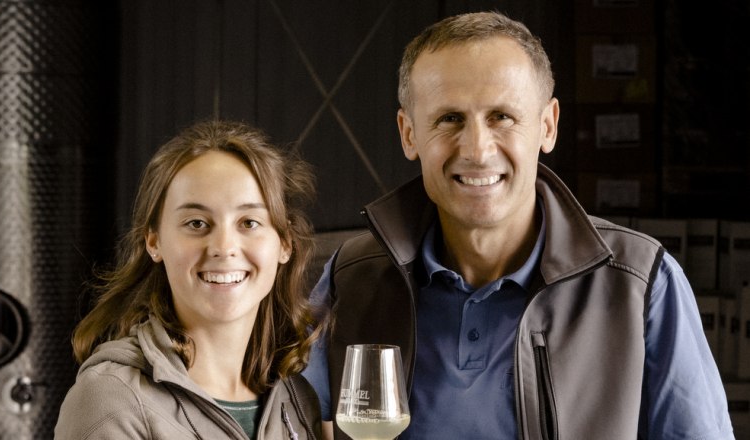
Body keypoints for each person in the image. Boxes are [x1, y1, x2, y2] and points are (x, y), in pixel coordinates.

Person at [302, 11, 734, 440]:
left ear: (547, 126)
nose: (476, 149)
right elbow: (281, 420)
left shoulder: (641, 283)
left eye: (502, 117)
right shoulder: (352, 278)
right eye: (449, 118)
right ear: (409, 133)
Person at [55, 120, 323, 439]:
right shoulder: (111, 399)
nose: (224, 247)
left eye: (249, 222)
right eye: (196, 223)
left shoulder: (297, 400)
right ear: (154, 242)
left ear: (285, 243)